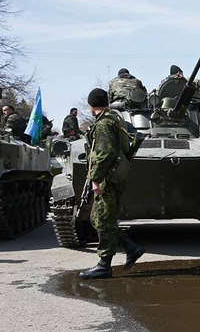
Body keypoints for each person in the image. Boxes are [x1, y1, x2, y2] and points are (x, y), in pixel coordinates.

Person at [79, 88, 145, 279]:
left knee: (103, 220)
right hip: (115, 175)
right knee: (97, 219)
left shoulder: (104, 124)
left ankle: (104, 265)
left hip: (107, 178)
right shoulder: (116, 119)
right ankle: (131, 247)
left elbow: (105, 153)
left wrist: (96, 178)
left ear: (91, 105)